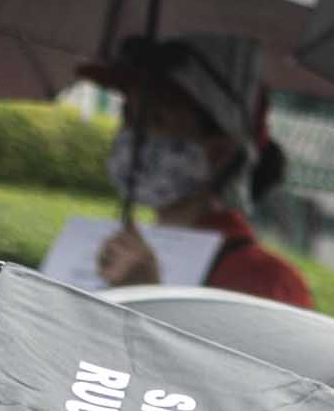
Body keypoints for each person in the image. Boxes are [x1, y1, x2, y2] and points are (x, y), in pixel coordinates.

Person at [86, 37, 315, 305]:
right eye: (128, 115)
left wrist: (147, 300)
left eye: (156, 119)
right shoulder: (106, 249)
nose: (132, 137)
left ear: (218, 152)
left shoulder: (266, 282)